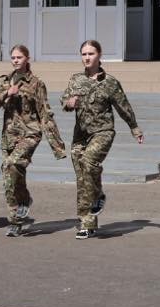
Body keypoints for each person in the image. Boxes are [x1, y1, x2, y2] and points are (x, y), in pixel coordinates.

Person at [61, 40, 143, 239]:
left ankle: (97, 196)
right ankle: (87, 223)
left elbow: (123, 106)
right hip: (80, 135)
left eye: (91, 54)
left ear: (99, 55)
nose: (87, 58)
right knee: (82, 177)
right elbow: (64, 101)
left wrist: (134, 128)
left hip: (103, 131)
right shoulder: (75, 79)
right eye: (84, 54)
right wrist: (69, 103)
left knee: (89, 162)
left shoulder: (110, 82)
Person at [0, 44, 67, 236]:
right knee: (12, 176)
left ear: (27, 59)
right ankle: (19, 212)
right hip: (9, 136)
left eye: (19, 57)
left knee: (10, 165)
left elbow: (45, 113)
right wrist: (6, 94)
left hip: (30, 133)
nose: (16, 60)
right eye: (13, 57)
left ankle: (17, 214)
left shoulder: (37, 84)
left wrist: (57, 145)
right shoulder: (4, 81)